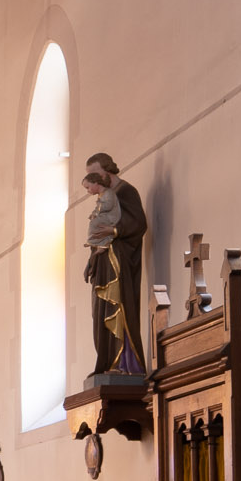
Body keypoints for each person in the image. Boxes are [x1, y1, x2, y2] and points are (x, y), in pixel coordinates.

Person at [81, 153, 147, 377]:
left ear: (107, 170)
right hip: (103, 264)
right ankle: (107, 362)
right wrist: (91, 261)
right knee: (100, 314)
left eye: (95, 173)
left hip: (118, 266)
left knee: (118, 310)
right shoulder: (104, 198)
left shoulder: (125, 192)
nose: (92, 179)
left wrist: (114, 231)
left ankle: (125, 364)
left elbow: (138, 223)